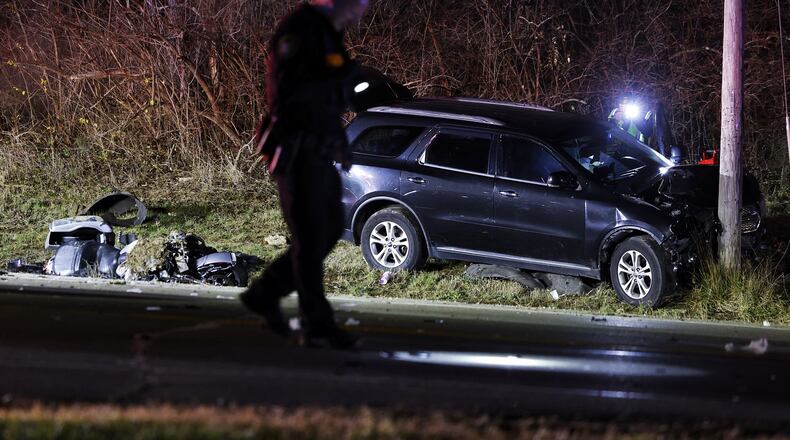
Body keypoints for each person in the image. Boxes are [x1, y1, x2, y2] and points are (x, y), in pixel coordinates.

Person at [240, 0, 369, 349]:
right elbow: (289, 94)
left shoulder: (327, 32)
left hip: (319, 147)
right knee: (312, 235)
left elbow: (330, 93)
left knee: (326, 230)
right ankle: (317, 323)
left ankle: (265, 293)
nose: (361, 10)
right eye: (357, 3)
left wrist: (338, 139)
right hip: (297, 148)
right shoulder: (300, 30)